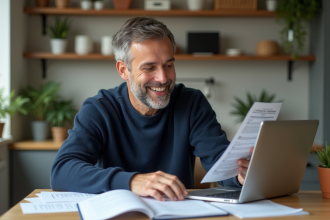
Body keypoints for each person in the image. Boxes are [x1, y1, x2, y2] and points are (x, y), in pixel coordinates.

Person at [50, 16, 252, 202]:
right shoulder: (99, 109)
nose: (163, 78)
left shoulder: (192, 103)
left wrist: (240, 175)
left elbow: (221, 163)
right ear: (123, 70)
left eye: (168, 65)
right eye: (149, 68)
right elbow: (62, 170)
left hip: (178, 212)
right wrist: (132, 181)